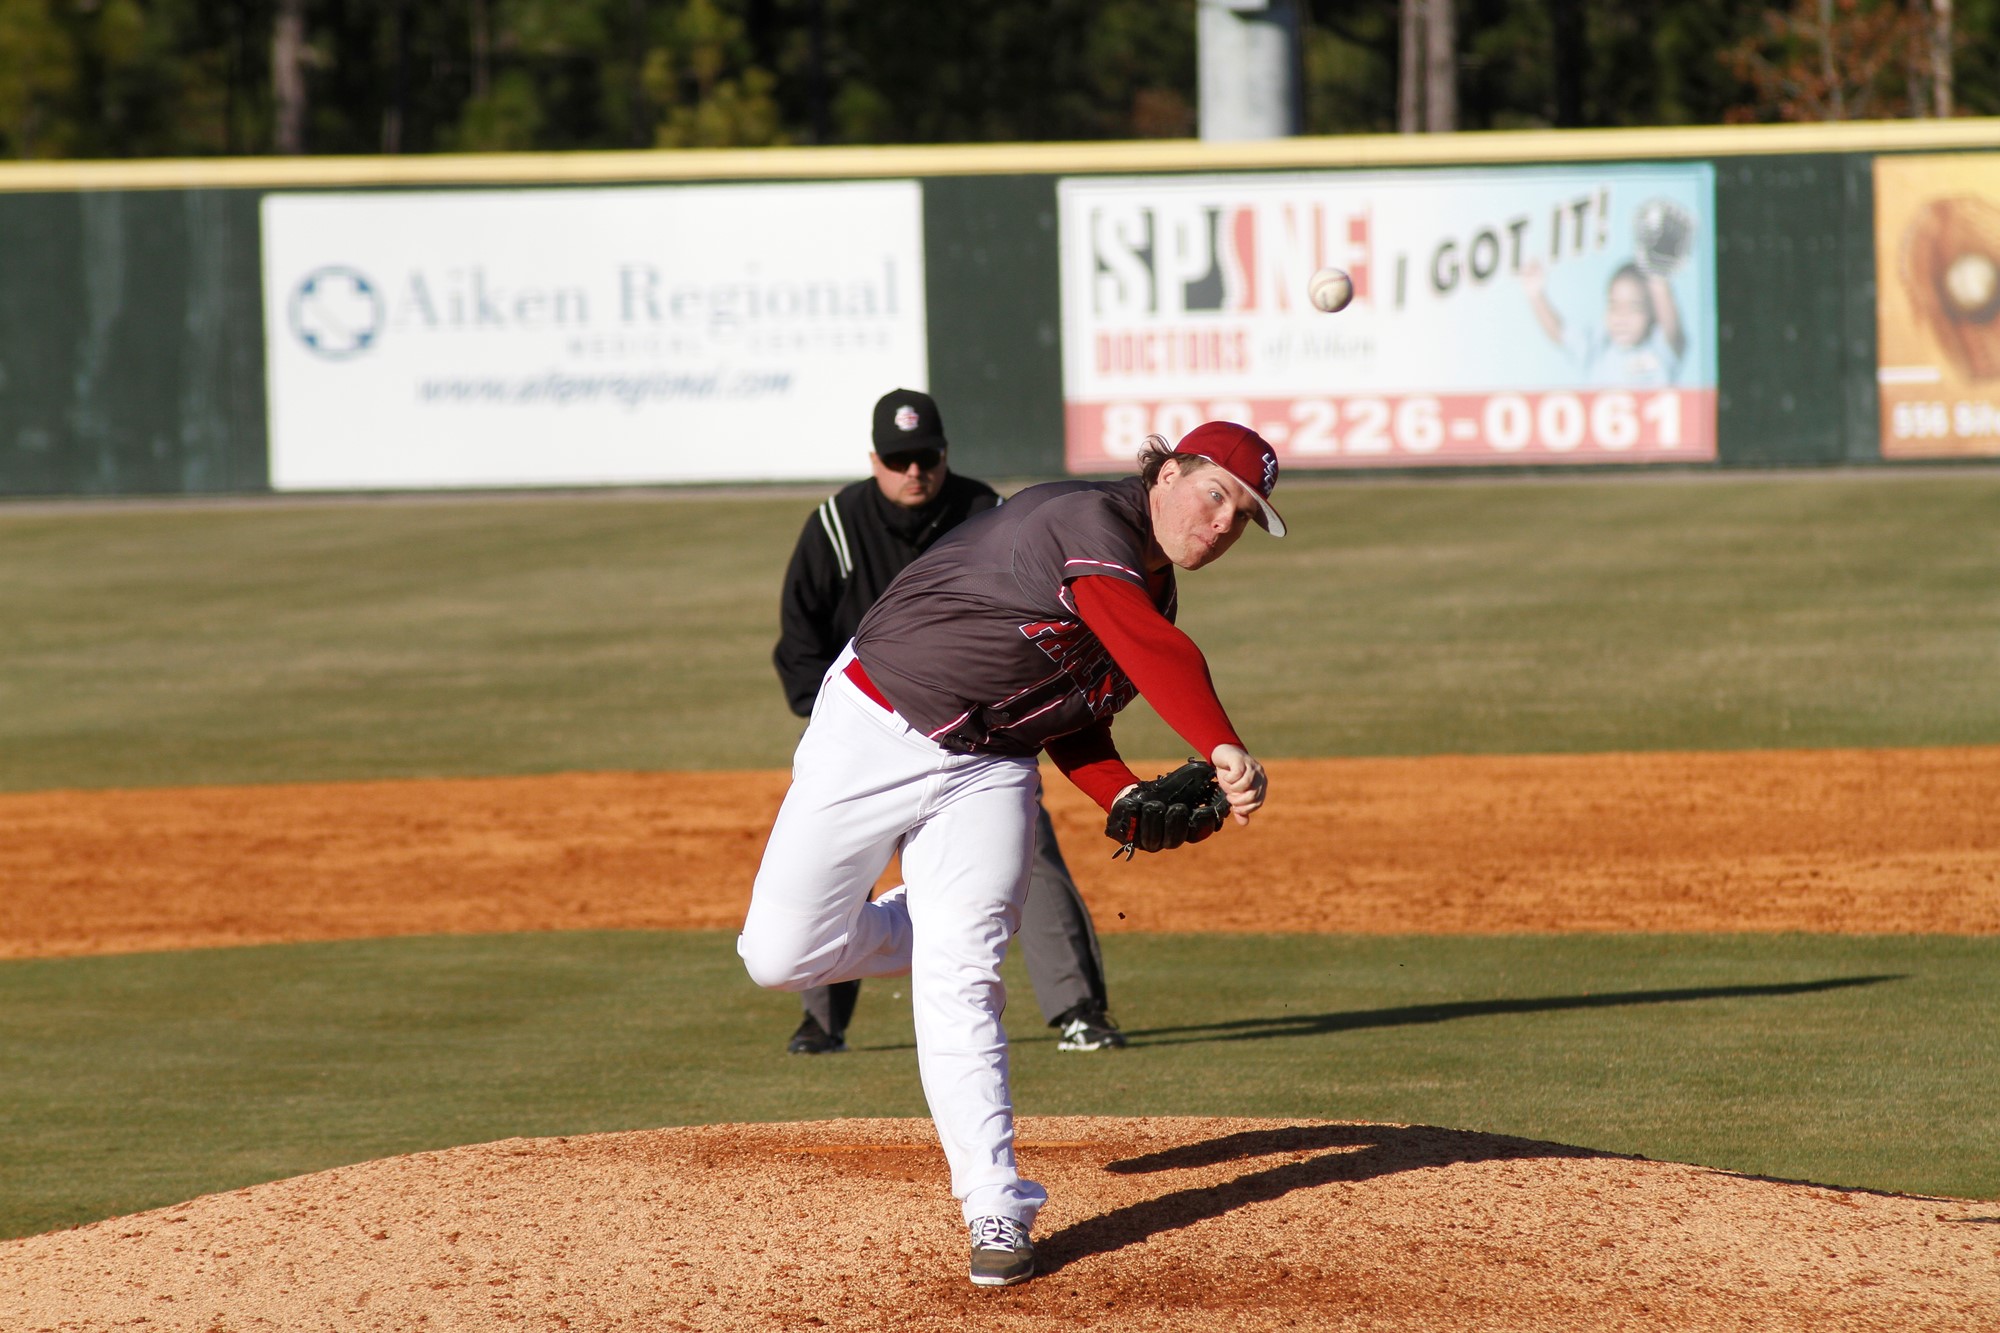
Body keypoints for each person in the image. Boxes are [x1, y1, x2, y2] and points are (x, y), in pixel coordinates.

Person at [738, 419, 1280, 1288]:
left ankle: (996, 1203)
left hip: (988, 767)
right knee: (780, 954)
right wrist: (1221, 742)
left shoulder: (1149, 589)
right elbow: (1153, 651)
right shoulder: (1088, 522)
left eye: (1244, 517)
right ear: (1168, 471)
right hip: (874, 724)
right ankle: (954, 920)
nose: (1221, 523)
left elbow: (1074, 714)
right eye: (1215, 494)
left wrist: (1119, 792)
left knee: (964, 973)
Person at [771, 388, 1125, 1056]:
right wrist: (831, 713)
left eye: (926, 456)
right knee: (841, 856)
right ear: (875, 459)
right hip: (867, 725)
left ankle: (1079, 1008)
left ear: (945, 455)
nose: (915, 471)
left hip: (980, 734)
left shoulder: (984, 511)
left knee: (1030, 852)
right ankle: (822, 1019)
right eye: (899, 458)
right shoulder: (838, 523)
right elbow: (799, 636)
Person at [1521, 258, 1686, 386]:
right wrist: (1536, 294)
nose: (1621, 317)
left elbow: (1672, 327)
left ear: (1652, 315)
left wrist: (1658, 280)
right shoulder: (1597, 350)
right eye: (1614, 305)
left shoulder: (1660, 350)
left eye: (1633, 307)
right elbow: (1560, 332)